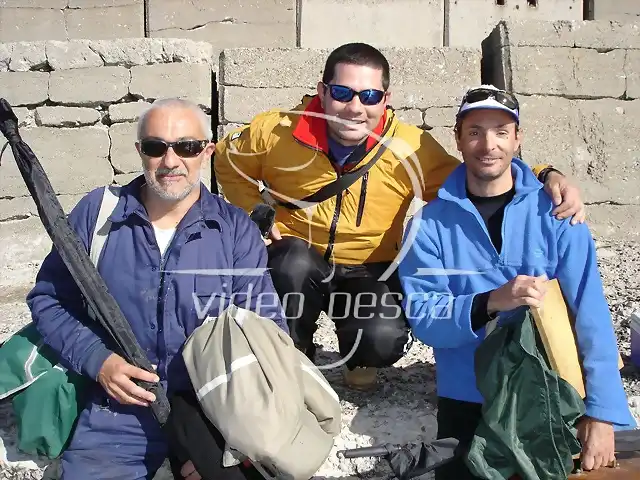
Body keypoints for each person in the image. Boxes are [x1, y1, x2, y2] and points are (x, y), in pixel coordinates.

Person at [213, 42, 586, 391]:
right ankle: (289, 360)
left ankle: (359, 357)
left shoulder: (410, 147)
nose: (354, 107)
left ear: (385, 99)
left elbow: (474, 176)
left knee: (382, 339)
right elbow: (226, 160)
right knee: (289, 265)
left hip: (369, 267)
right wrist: (254, 213)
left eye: (369, 96)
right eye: (342, 93)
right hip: (298, 255)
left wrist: (542, 174)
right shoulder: (276, 132)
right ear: (323, 91)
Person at [26, 98, 288, 480]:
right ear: (140, 152)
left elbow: (265, 330)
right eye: (155, 147)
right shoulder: (98, 215)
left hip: (208, 409)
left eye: (186, 147)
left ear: (207, 152)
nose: (170, 161)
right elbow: (50, 299)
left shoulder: (234, 229)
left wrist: (226, 438)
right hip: (118, 413)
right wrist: (98, 360)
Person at [397, 85, 636, 479]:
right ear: (457, 139)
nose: (487, 144)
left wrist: (602, 413)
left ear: (518, 138)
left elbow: (590, 313)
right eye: (474, 131)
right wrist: (493, 300)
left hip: (553, 393)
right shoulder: (427, 227)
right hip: (469, 396)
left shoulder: (558, 215)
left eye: (501, 132)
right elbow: (425, 319)